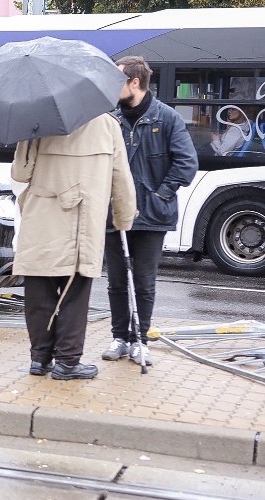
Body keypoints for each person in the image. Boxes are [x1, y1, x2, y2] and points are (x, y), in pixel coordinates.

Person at [11, 113, 137, 381]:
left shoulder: (37, 120)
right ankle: (67, 362)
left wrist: (26, 137)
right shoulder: (107, 125)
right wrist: (123, 218)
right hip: (82, 222)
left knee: (39, 292)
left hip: (41, 219)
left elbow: (20, 174)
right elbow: (121, 178)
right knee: (74, 295)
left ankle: (40, 357)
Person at [103, 55, 198, 366]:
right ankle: (119, 337)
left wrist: (159, 194)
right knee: (117, 281)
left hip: (151, 216)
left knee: (143, 281)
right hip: (115, 214)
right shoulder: (111, 119)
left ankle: (140, 339)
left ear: (135, 82)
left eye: (118, 80)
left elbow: (186, 164)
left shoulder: (166, 118)